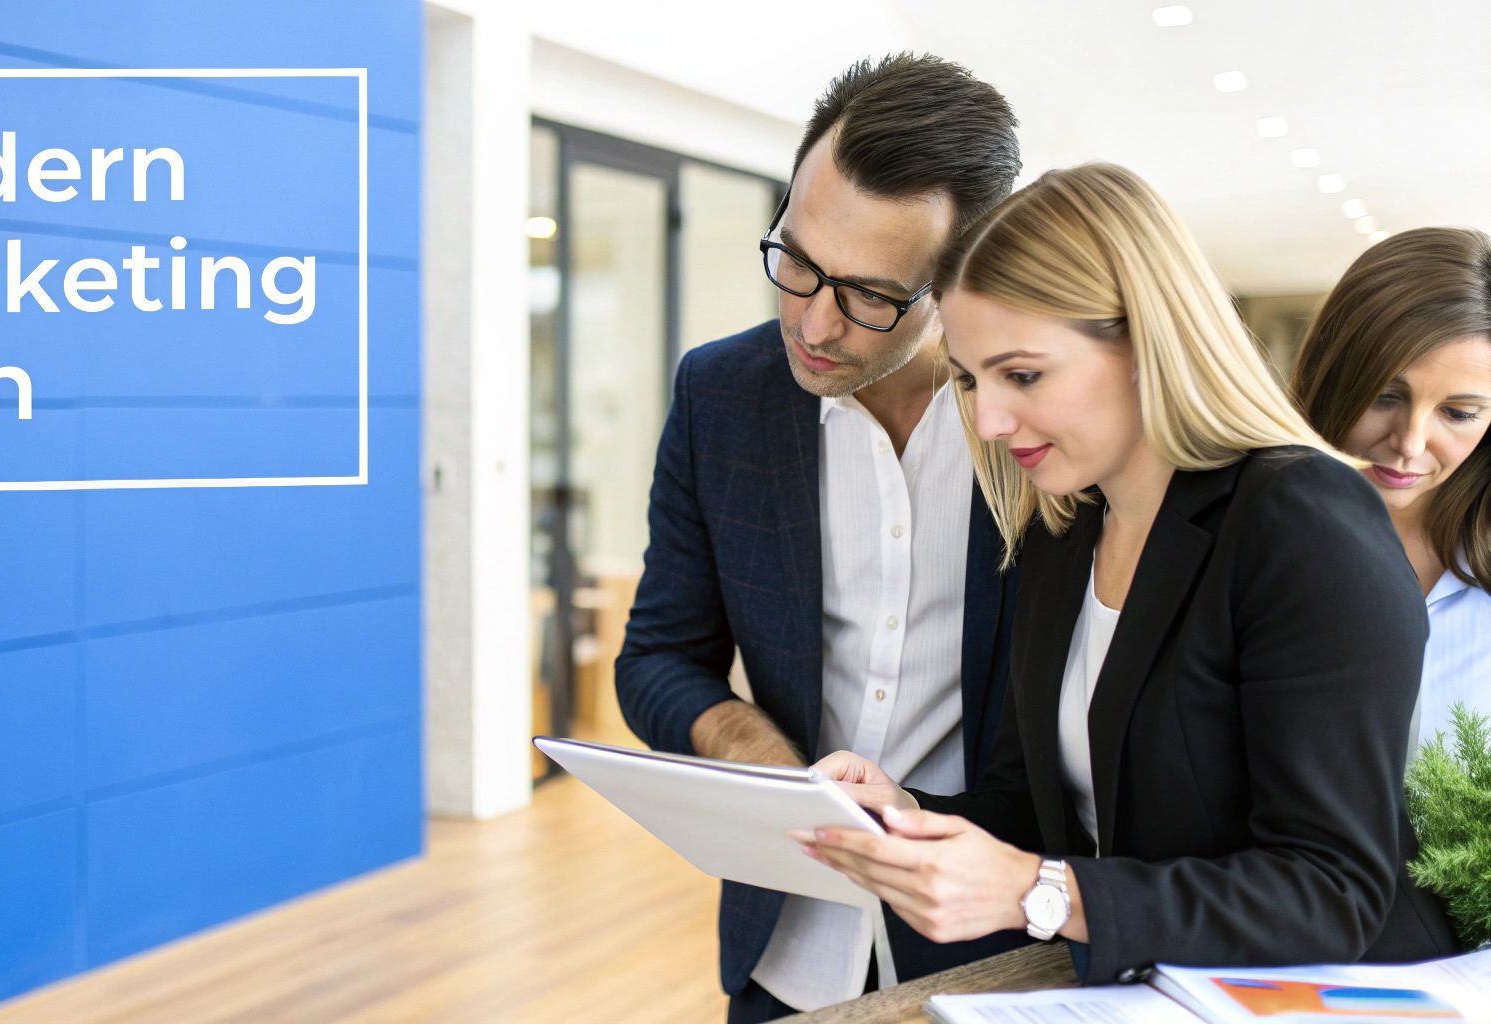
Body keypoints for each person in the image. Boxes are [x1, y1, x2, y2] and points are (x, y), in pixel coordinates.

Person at [794, 164, 1461, 986]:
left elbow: (1333, 891)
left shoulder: (1300, 522)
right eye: (971, 381)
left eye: (1024, 375)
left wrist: (1044, 895)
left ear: (1147, 343)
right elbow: (1032, 804)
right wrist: (904, 815)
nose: (992, 422)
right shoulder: (1065, 526)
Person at [613, 54, 1026, 1019]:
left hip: (996, 956)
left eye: (872, 295)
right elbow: (660, 656)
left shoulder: (1038, 424)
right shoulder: (720, 396)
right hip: (784, 949)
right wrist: (769, 769)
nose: (814, 321)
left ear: (967, 275)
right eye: (796, 261)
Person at [1290, 228, 1491, 753]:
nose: (1409, 442)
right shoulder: (1238, 548)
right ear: (1329, 377)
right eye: (1384, 397)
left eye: (1458, 413)